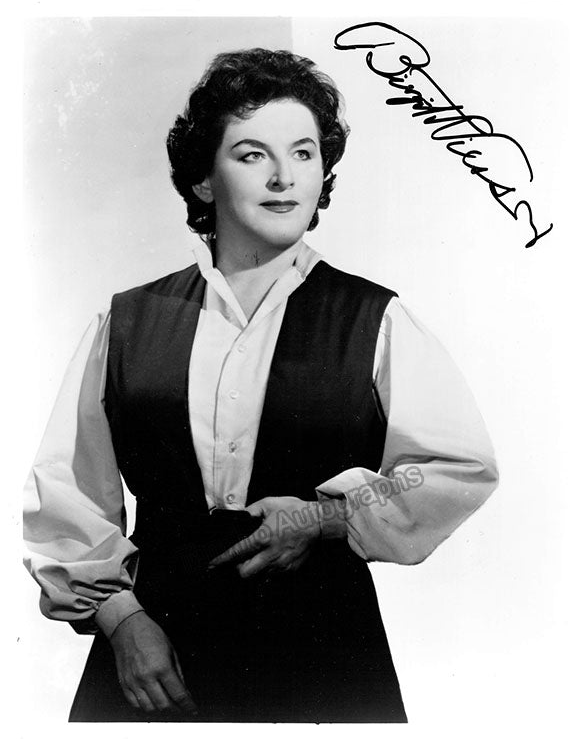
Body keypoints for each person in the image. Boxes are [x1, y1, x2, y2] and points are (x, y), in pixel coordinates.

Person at [23, 48, 499, 723]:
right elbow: (67, 492)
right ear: (203, 180)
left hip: (323, 650)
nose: (284, 177)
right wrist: (122, 621)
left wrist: (326, 517)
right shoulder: (126, 322)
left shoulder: (377, 320)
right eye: (252, 155)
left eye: (304, 153)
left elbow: (456, 471)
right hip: (154, 649)